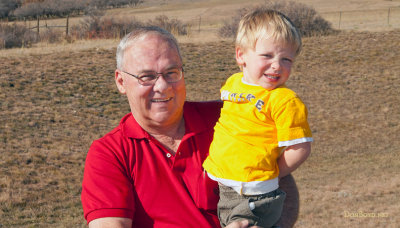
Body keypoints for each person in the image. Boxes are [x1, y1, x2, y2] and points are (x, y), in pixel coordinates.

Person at [81, 26, 300, 228]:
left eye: (171, 73)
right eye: (146, 77)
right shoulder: (110, 153)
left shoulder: (227, 118)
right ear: (121, 81)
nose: (163, 86)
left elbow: (278, 184)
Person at [202, 9, 313, 228]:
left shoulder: (284, 100)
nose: (277, 65)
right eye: (267, 56)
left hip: (256, 191)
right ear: (240, 55)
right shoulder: (233, 83)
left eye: (287, 59)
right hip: (225, 183)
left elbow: (300, 147)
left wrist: (274, 173)